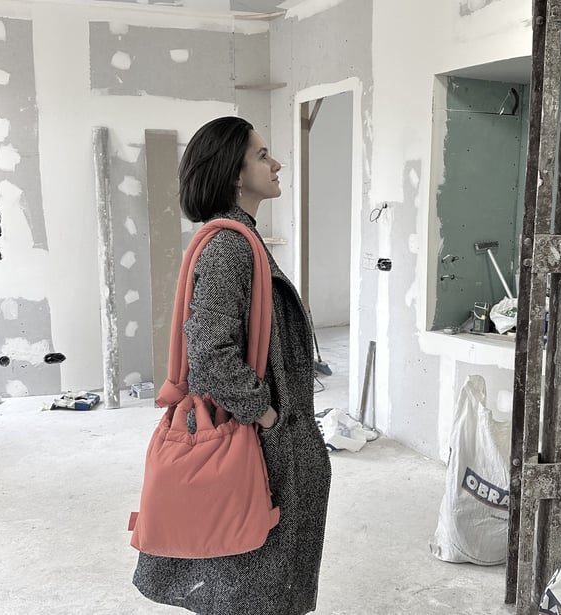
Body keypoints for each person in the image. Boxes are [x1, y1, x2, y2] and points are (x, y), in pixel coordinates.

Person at [132, 116, 332, 614]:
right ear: (234, 174)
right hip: (260, 441)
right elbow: (209, 352)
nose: (277, 163)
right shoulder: (229, 249)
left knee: (252, 578)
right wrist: (265, 413)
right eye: (262, 155)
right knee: (250, 582)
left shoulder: (241, 240)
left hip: (268, 438)